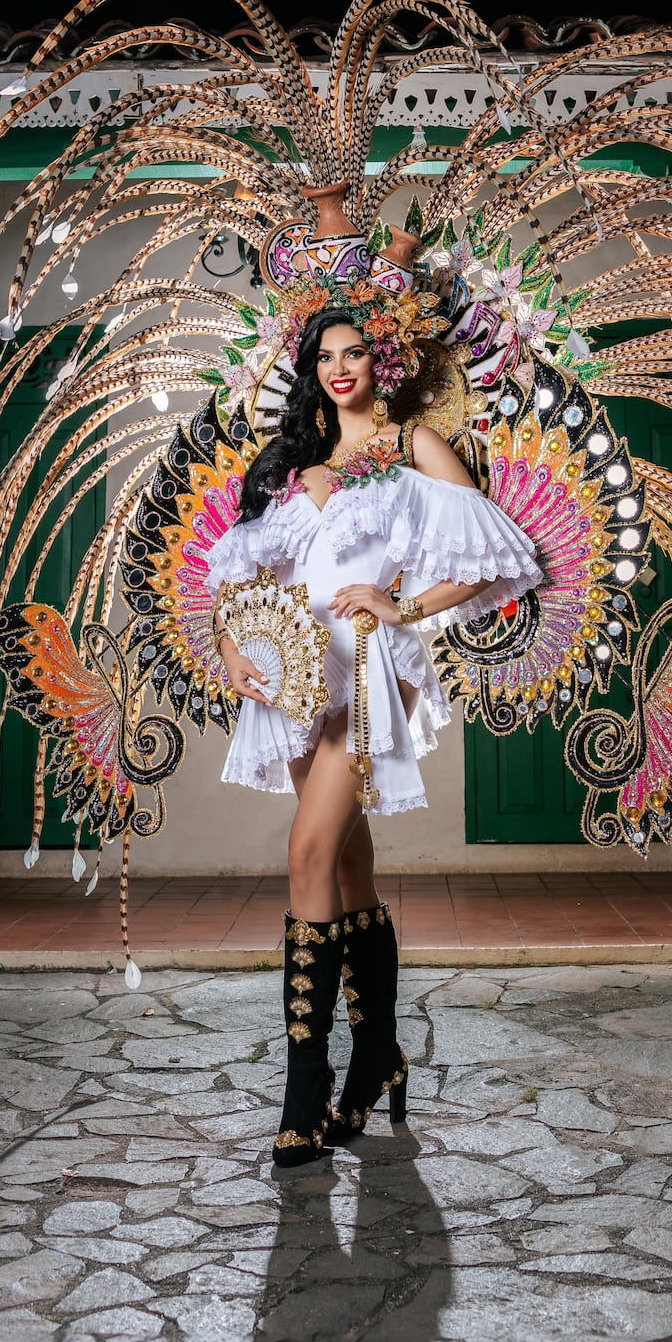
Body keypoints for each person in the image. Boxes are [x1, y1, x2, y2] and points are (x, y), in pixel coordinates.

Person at [199, 309, 542, 1165]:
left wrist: (401, 605)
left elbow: (495, 555)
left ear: (381, 361)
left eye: (354, 352)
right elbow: (236, 577)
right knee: (348, 868)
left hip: (365, 673)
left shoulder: (415, 446)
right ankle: (378, 1057)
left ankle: (305, 1094)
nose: (340, 367)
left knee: (306, 856)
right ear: (310, 370)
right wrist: (233, 647)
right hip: (292, 677)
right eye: (325, 356)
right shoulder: (291, 466)